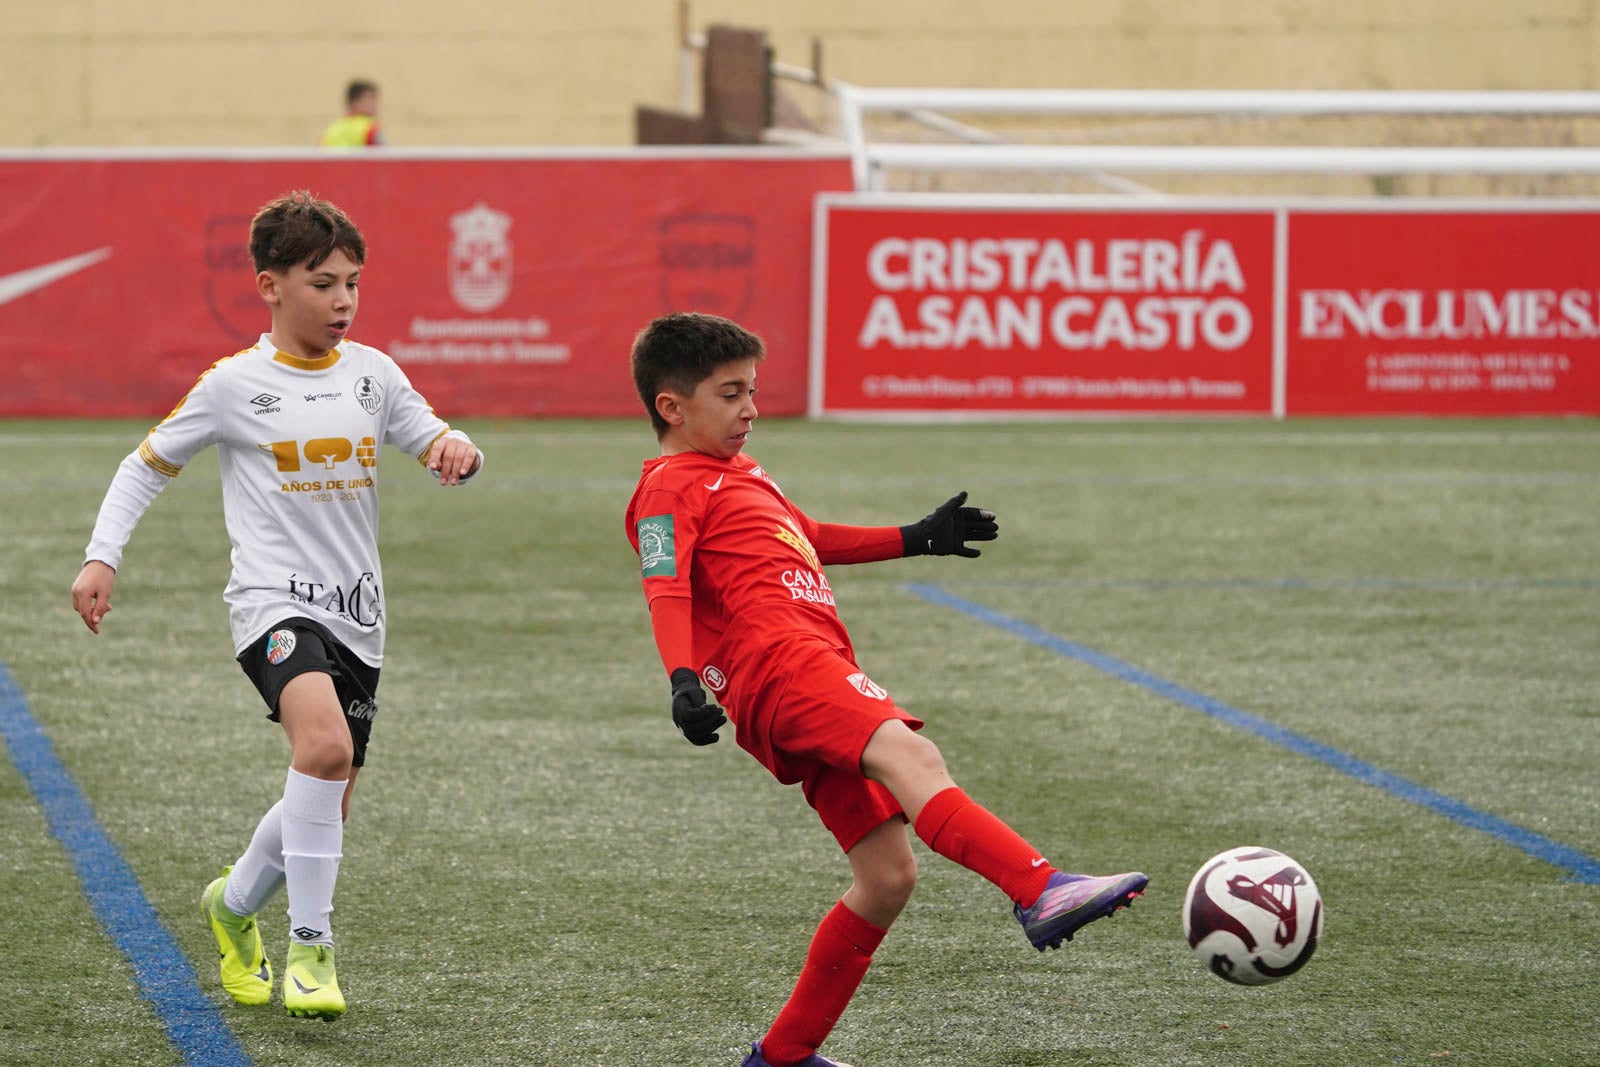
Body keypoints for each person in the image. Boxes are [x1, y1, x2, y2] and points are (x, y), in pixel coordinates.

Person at [624, 312, 1148, 1067]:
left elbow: (807, 536)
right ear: (672, 407)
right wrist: (680, 677)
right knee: (912, 755)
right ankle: (1040, 888)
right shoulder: (668, 486)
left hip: (798, 667)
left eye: (753, 391)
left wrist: (917, 536)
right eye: (730, 394)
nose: (750, 409)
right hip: (781, 663)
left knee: (887, 877)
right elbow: (665, 586)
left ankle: (784, 1055)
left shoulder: (741, 473)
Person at [70, 191, 483, 1020]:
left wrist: (455, 447)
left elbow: (431, 433)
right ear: (270, 285)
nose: (342, 300)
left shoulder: (373, 373)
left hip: (359, 615)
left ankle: (230, 905)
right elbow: (145, 464)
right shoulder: (233, 385)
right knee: (324, 747)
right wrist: (101, 555)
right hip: (271, 606)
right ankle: (311, 950)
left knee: (329, 792)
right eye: (323, 283)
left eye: (352, 283)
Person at [319, 80, 383, 148]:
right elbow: (381, 152)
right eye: (371, 99)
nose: (375, 105)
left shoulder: (331, 130)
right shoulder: (369, 127)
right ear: (354, 102)